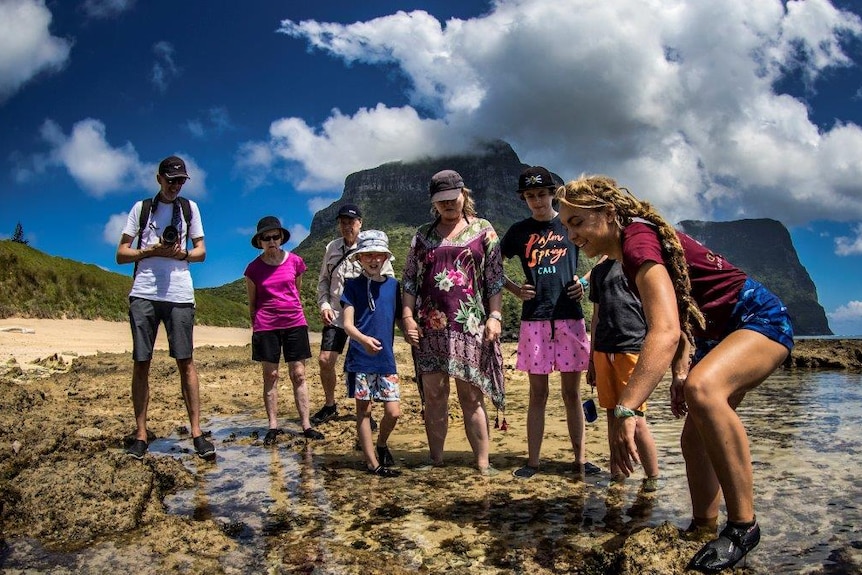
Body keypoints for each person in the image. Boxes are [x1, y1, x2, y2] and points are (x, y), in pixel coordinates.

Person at [556, 175, 794, 573]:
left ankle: (743, 526)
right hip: (713, 335)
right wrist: (681, 371)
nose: (571, 233)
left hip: (758, 318)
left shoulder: (637, 241)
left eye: (577, 222)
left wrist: (626, 410)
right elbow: (683, 314)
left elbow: (663, 331)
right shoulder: (627, 251)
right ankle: (704, 527)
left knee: (705, 391)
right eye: (566, 225)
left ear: (608, 214)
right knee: (694, 436)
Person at [402, 169, 505, 474]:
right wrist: (407, 318)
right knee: (434, 395)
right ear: (434, 203)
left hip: (471, 326)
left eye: (452, 198)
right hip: (429, 327)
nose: (448, 205)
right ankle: (436, 461)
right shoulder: (422, 235)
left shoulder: (484, 230)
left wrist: (495, 316)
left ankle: (483, 464)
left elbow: (494, 279)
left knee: (470, 395)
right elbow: (409, 280)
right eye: (441, 201)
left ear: (464, 194)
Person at [500, 166, 598, 479]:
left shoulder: (568, 223)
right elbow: (489, 265)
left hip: (570, 318)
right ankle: (533, 463)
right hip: (535, 321)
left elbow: (607, 254)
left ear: (552, 194)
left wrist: (583, 280)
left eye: (542, 194)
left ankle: (581, 461)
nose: (537, 201)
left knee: (571, 394)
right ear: (523, 199)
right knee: (537, 394)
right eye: (530, 196)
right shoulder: (518, 231)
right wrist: (515, 288)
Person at [116, 155, 215, 460]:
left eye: (180, 181)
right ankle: (141, 434)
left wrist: (181, 254)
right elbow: (121, 253)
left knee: (186, 361)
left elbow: (201, 252)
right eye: (171, 180)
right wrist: (150, 250)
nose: (175, 186)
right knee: (141, 361)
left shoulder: (189, 209)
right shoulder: (141, 209)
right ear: (158, 178)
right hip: (144, 292)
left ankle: (197, 432)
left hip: (180, 294)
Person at [245, 216, 324, 445]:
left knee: (298, 374)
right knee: (271, 376)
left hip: (294, 323)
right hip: (265, 325)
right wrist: (258, 324)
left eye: (275, 237)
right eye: (266, 238)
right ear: (260, 241)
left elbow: (296, 292)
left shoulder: (296, 262)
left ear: (281, 238)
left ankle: (306, 425)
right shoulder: (253, 269)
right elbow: (253, 302)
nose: (271, 241)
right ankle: (273, 426)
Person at [312, 203, 394, 426]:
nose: (347, 226)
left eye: (351, 221)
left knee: (367, 365)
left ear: (360, 223)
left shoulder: (371, 248)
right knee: (325, 360)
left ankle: (369, 413)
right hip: (337, 314)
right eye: (343, 222)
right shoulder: (332, 247)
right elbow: (324, 281)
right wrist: (324, 305)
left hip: (364, 318)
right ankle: (330, 405)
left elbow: (386, 281)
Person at [587, 257, 659, 491]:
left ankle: (652, 477)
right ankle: (617, 473)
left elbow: (652, 312)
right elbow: (596, 317)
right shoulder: (598, 271)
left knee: (636, 419)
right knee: (611, 416)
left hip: (632, 348)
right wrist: (591, 360)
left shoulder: (636, 264)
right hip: (603, 350)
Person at [341, 230, 403, 477]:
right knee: (364, 412)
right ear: (359, 259)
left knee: (393, 411)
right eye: (368, 255)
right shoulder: (352, 286)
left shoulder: (394, 286)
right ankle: (372, 463)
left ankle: (381, 444)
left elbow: (400, 319)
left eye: (379, 255)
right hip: (360, 359)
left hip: (386, 360)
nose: (374, 260)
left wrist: (413, 333)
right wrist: (363, 340)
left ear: (386, 258)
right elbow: (347, 324)